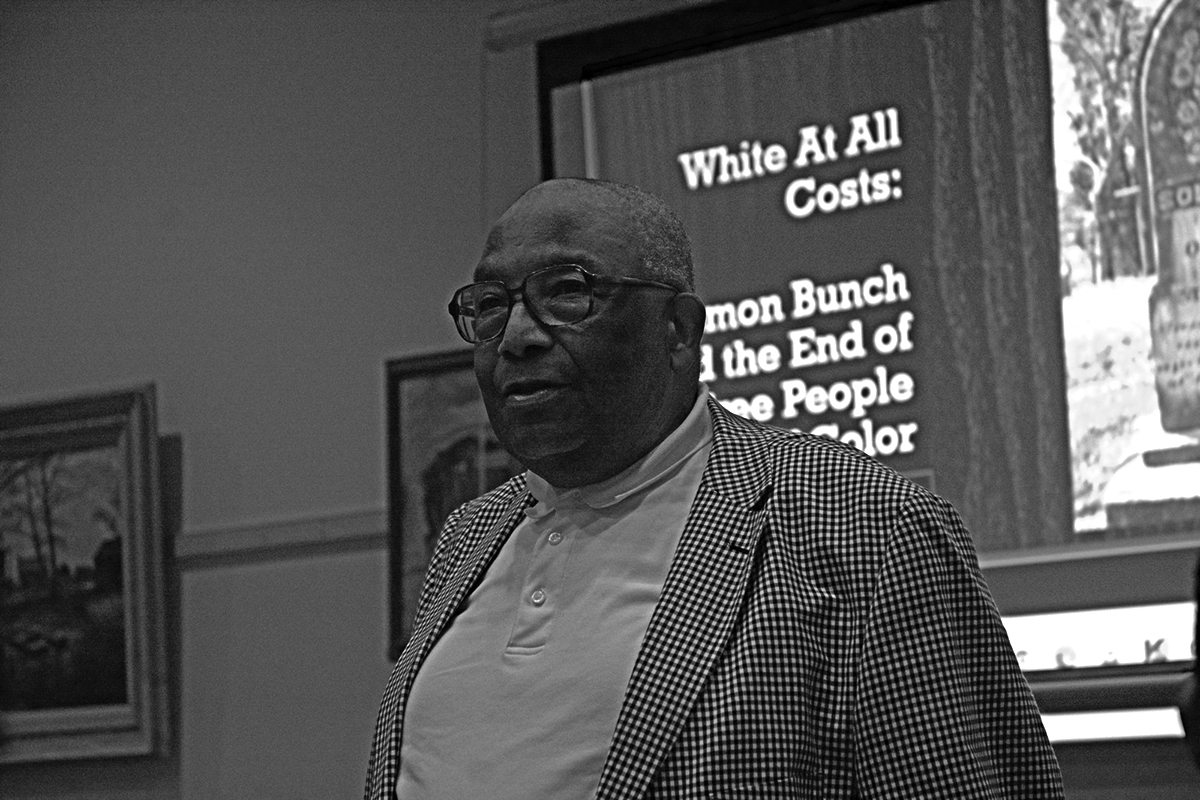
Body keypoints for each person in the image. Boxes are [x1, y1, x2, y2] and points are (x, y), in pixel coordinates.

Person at [365, 178, 1065, 799]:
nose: (516, 335)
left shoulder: (871, 527)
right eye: (491, 303)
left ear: (679, 330)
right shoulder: (467, 536)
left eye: (569, 292)